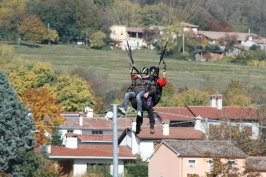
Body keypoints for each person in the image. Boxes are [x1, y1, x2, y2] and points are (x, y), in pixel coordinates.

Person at [118, 67, 157, 133]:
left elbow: (153, 89)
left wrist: (148, 93)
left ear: (146, 74)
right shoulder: (137, 79)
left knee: (141, 99)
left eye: (144, 74)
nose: (142, 75)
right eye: (142, 73)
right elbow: (131, 87)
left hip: (144, 95)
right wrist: (129, 92)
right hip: (135, 93)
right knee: (127, 94)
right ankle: (124, 109)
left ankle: (150, 123)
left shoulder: (150, 80)